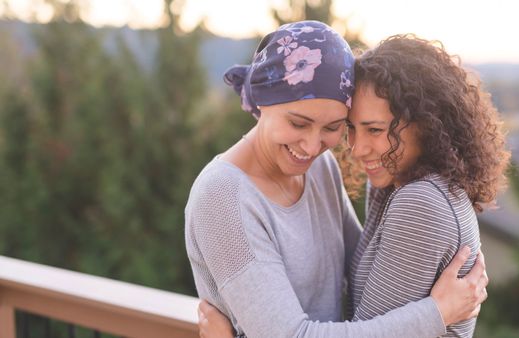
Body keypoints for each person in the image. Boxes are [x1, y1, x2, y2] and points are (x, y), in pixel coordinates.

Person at [185, 21, 487, 338]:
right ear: (263, 101)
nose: (313, 146)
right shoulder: (222, 196)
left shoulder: (318, 168)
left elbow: (365, 271)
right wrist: (437, 313)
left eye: (332, 128)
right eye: (298, 123)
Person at [341, 34, 511, 337]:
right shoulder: (397, 184)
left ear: (428, 123)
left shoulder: (421, 202)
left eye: (376, 130)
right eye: (352, 129)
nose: (357, 148)